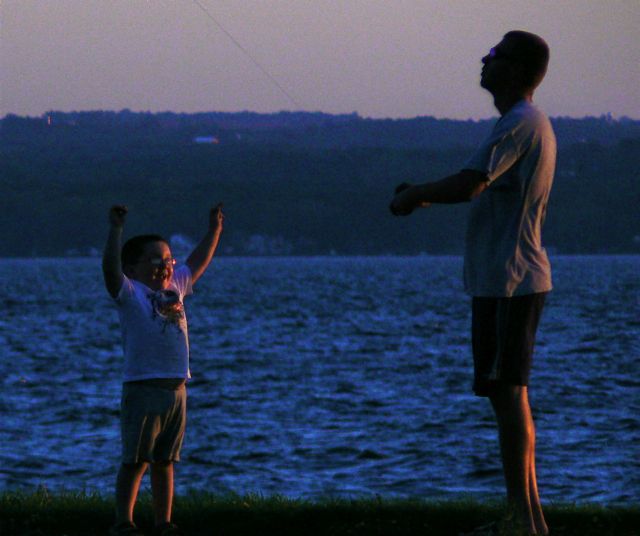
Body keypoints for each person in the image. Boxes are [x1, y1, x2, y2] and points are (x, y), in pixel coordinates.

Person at [390, 31, 555, 535]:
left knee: (508, 395)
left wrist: (413, 194)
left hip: (510, 281)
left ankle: (522, 520)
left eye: (496, 54)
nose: (485, 59)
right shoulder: (518, 124)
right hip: (503, 281)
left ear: (517, 69)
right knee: (508, 396)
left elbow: (470, 183)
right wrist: (424, 195)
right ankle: (527, 517)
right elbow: (475, 183)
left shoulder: (520, 124)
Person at [102, 203, 224, 536]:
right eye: (155, 262)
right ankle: (123, 521)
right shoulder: (131, 294)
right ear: (133, 268)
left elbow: (197, 262)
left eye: (168, 261)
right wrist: (116, 230)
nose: (165, 268)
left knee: (165, 460)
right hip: (143, 388)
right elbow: (110, 271)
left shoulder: (176, 289)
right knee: (136, 460)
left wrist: (214, 230)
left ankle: (162, 521)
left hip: (176, 390)